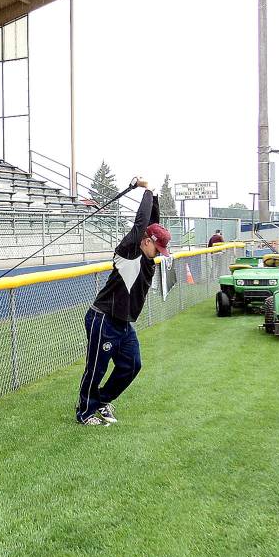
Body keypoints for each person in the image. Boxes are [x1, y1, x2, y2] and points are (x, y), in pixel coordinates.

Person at [75, 178, 170, 426]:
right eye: (157, 248)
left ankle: (102, 400)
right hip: (103, 318)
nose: (159, 254)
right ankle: (85, 413)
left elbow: (152, 224)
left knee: (132, 365)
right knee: (96, 368)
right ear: (146, 241)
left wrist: (155, 196)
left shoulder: (147, 254)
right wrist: (146, 191)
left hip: (124, 322)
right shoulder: (129, 250)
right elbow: (141, 225)